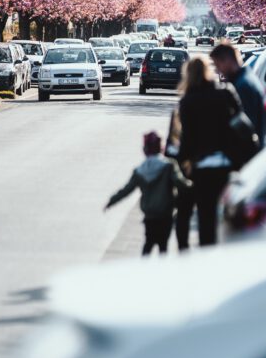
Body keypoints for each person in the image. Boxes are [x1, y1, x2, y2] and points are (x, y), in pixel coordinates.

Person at [177, 58, 243, 247]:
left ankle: (206, 251)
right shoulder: (225, 93)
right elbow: (240, 123)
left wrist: (182, 165)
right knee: (224, 214)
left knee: (205, 215)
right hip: (226, 164)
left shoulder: (188, 101)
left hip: (202, 166)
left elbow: (187, 139)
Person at [104, 131, 191, 256]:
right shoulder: (169, 165)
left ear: (145, 150)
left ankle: (143, 269)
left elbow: (126, 190)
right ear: (160, 148)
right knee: (163, 246)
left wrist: (111, 201)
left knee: (148, 243)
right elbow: (181, 183)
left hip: (149, 215)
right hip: (165, 214)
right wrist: (195, 186)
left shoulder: (139, 171)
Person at [210, 41, 266, 147]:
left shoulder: (242, 86)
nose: (217, 70)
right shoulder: (246, 78)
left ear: (228, 60)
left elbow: (245, 127)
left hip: (247, 154)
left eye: (218, 65)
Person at [165, 107, 194, 251]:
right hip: (212, 172)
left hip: (186, 171)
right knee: (208, 215)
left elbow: (172, 147)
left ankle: (183, 249)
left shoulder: (182, 107)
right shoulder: (221, 100)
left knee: (183, 214)